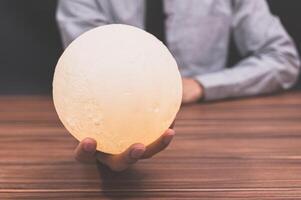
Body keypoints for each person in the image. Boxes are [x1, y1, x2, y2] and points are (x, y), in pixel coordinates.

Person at [56, 0, 301, 171]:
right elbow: (83, 69)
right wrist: (110, 139)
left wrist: (203, 85)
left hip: (209, 139)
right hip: (111, 120)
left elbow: (283, 59)